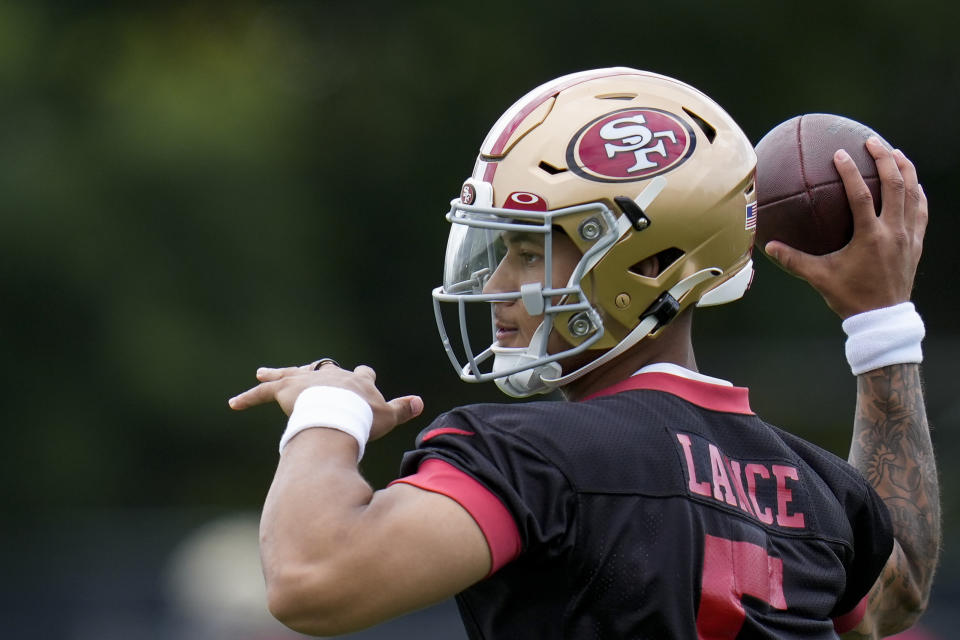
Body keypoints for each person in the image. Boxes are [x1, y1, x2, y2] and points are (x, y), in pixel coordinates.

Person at [229, 68, 938, 638]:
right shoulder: (816, 490)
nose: (498, 285)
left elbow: (313, 581)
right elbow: (897, 589)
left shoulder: (537, 459)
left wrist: (328, 411)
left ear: (650, 261)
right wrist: (883, 325)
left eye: (528, 249)